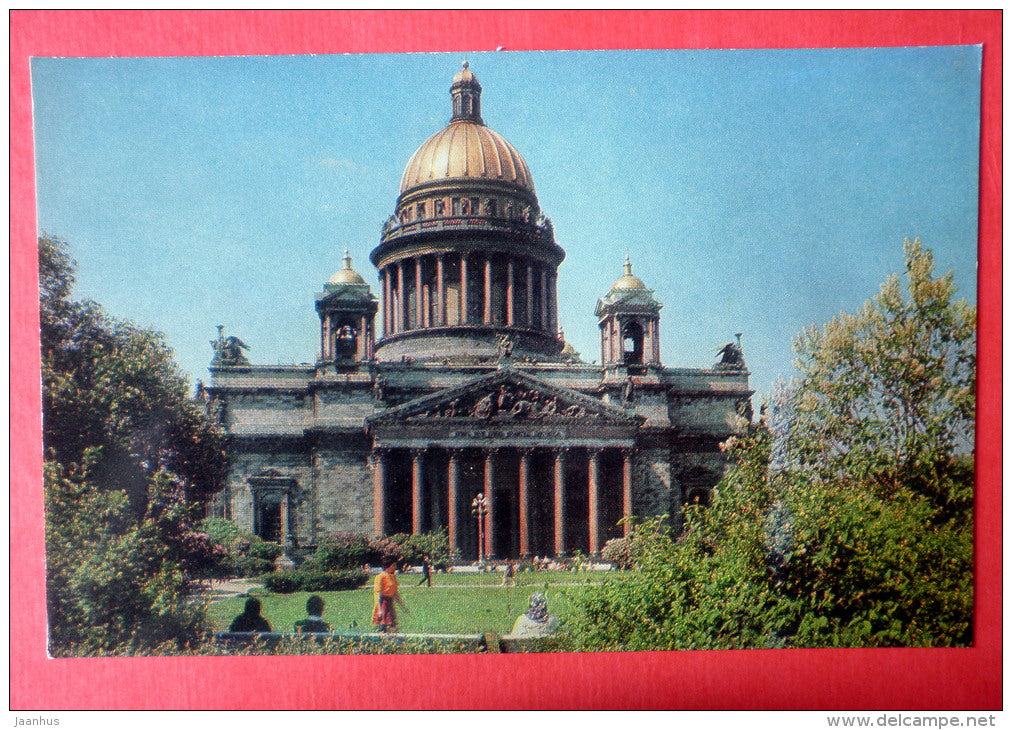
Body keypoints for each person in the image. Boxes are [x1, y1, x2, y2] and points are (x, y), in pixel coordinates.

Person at [372, 560, 407, 633]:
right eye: (393, 565)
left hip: (390, 603)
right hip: (383, 604)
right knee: (384, 625)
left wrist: (403, 606)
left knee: (393, 625)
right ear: (388, 566)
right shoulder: (380, 576)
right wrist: (380, 610)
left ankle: (393, 642)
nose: (395, 567)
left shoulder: (392, 576)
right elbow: (378, 593)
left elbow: (395, 593)